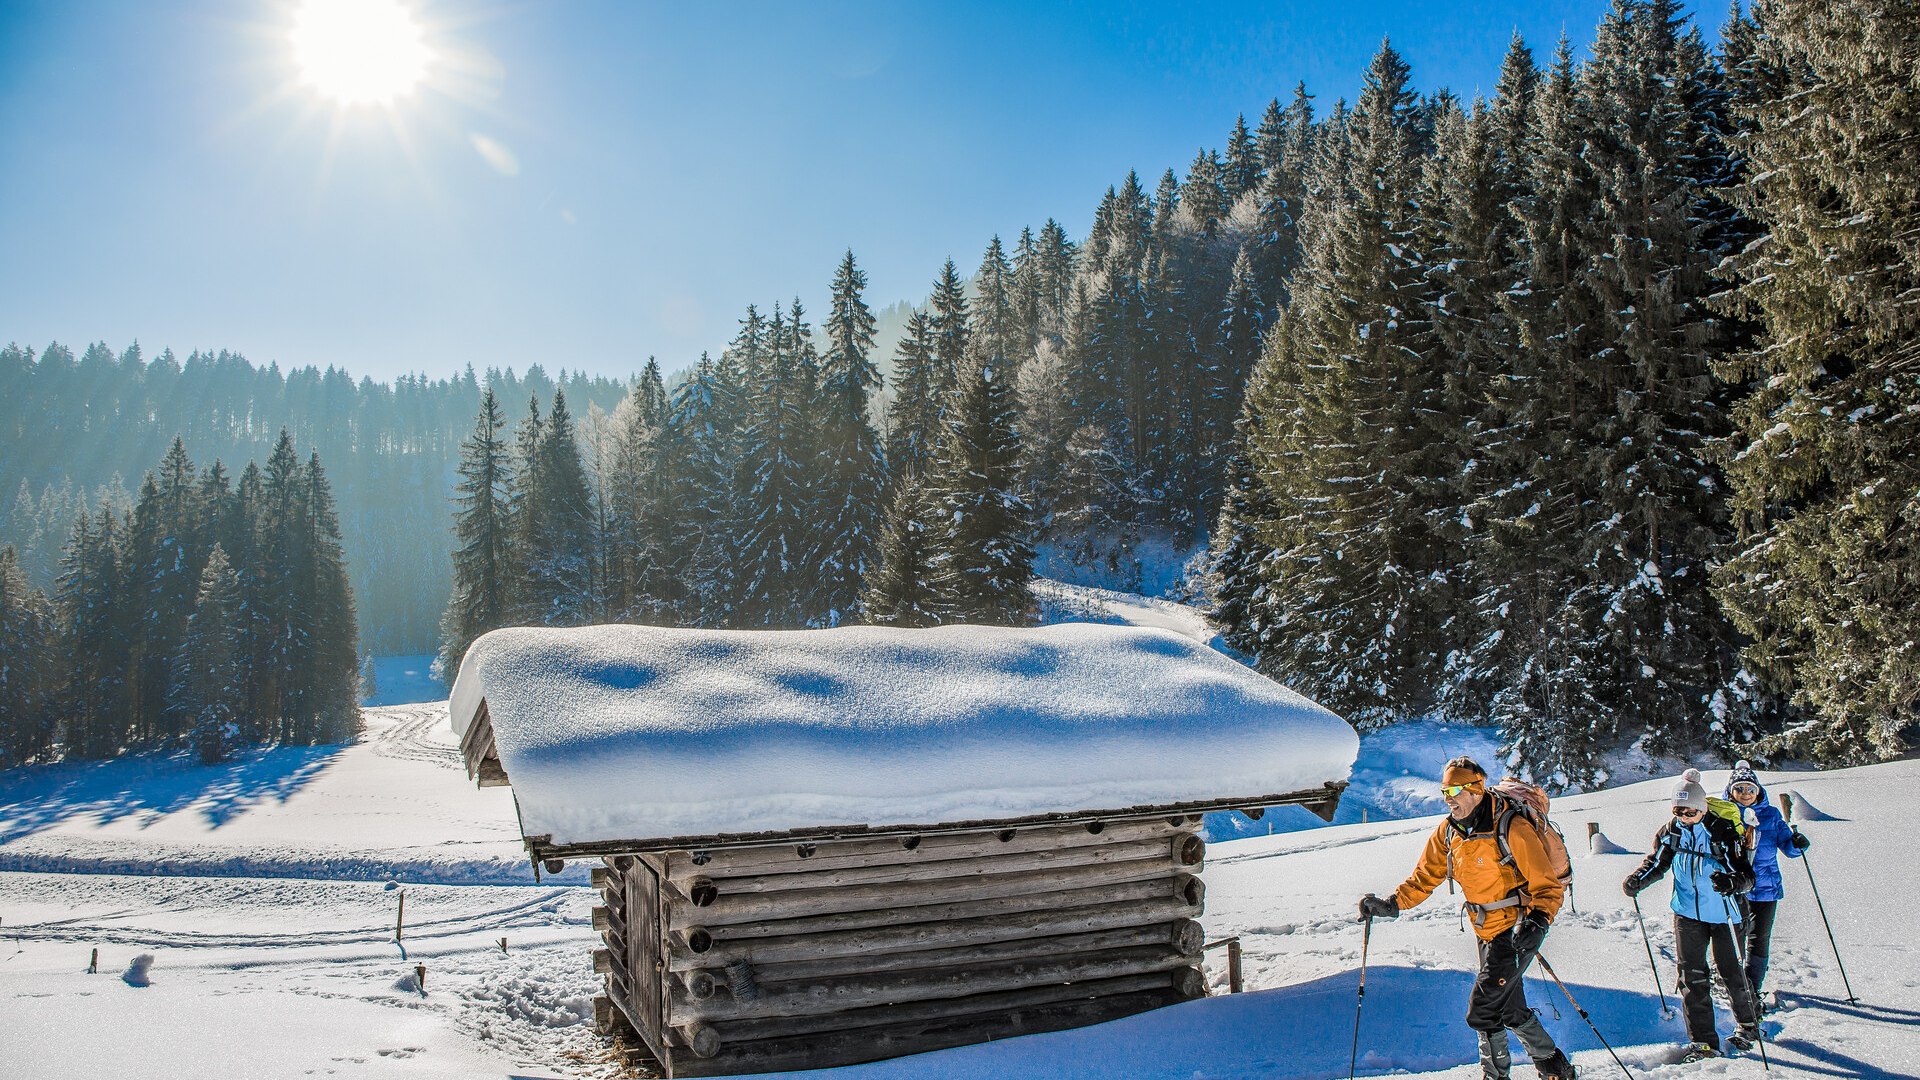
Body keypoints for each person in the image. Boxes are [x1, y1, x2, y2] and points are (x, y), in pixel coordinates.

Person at [1357, 757, 1574, 1080]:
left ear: (1476, 790)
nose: (1449, 797)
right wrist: (1392, 904)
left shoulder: (1511, 826)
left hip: (1516, 930)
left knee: (1483, 1010)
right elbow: (1425, 876)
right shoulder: (1449, 832)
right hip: (1485, 930)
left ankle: (1495, 1076)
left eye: (1455, 790)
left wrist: (1538, 920)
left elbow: (1546, 884)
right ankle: (1556, 1069)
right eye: (1445, 790)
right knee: (1510, 1010)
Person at [1623, 768, 1761, 1061]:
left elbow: (1748, 876)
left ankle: (1749, 1024)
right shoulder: (1671, 831)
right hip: (1687, 913)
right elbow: (1657, 863)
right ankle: (1704, 1044)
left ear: (1701, 808)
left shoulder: (1722, 832)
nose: (1684, 817)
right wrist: (1637, 880)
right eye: (1678, 811)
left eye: (1690, 812)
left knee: (1731, 973)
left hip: (1725, 913)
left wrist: (1731, 883)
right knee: (1691, 977)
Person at [1725, 760, 1808, 1009]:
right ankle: (1735, 986)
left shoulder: (1771, 815)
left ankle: (1752, 990)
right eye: (1739, 789)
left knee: (1759, 939)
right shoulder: (1723, 815)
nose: (1746, 794)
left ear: (1758, 791)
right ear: (1731, 792)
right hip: (1735, 887)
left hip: (1766, 887)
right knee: (1733, 938)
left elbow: (1788, 848)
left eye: (1750, 789)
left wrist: (1797, 844)